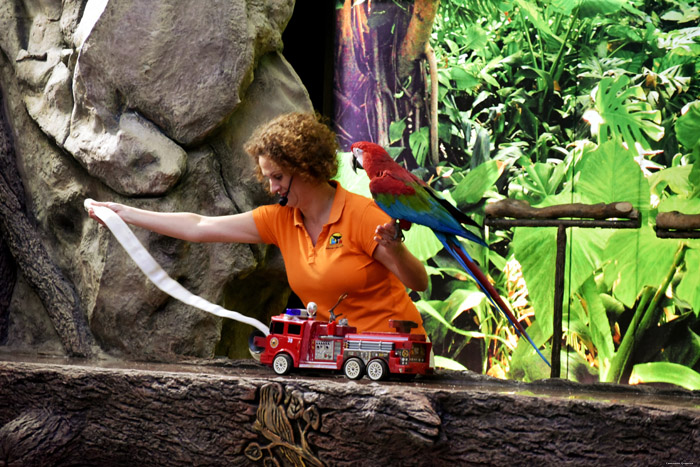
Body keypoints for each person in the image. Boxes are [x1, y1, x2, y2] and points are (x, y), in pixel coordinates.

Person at [88, 112, 428, 334]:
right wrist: (127, 214)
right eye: (267, 178)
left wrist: (395, 249)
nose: (272, 187)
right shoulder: (279, 220)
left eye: (278, 176)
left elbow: (419, 282)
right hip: (339, 357)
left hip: (392, 353)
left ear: (306, 167)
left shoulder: (363, 214)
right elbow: (200, 227)